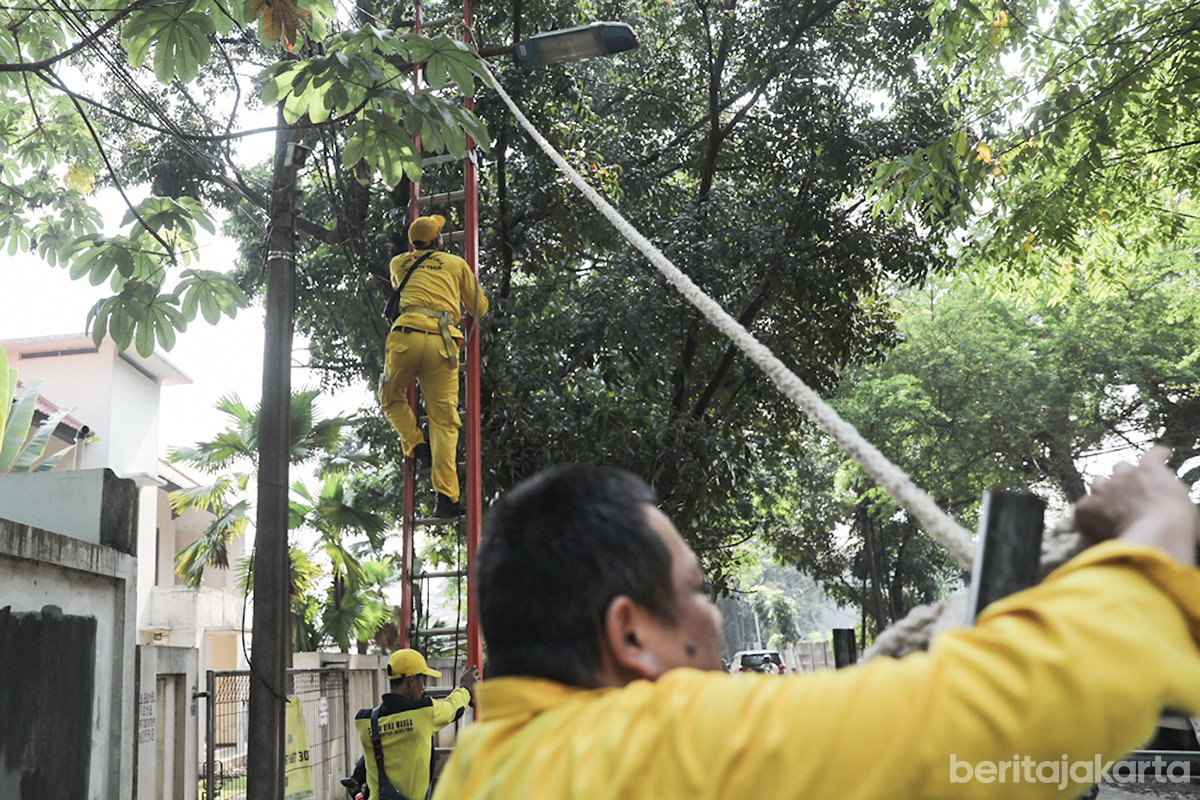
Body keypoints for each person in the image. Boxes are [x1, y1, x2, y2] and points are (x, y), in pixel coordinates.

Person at [433, 449, 1200, 800]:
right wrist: (1161, 529)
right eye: (695, 591)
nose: (712, 614)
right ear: (631, 635)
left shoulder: (479, 768)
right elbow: (1018, 710)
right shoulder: (654, 749)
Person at [379, 214, 488, 518]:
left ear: (413, 243)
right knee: (444, 422)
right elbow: (478, 308)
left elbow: (403, 288)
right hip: (442, 344)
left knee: (390, 399)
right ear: (438, 240)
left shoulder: (398, 264)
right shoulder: (455, 264)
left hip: (405, 339)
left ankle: (417, 445)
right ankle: (446, 499)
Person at [354, 649, 478, 800]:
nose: (424, 688)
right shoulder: (424, 712)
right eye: (423, 681)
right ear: (412, 680)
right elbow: (454, 708)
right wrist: (465, 688)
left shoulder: (365, 721)